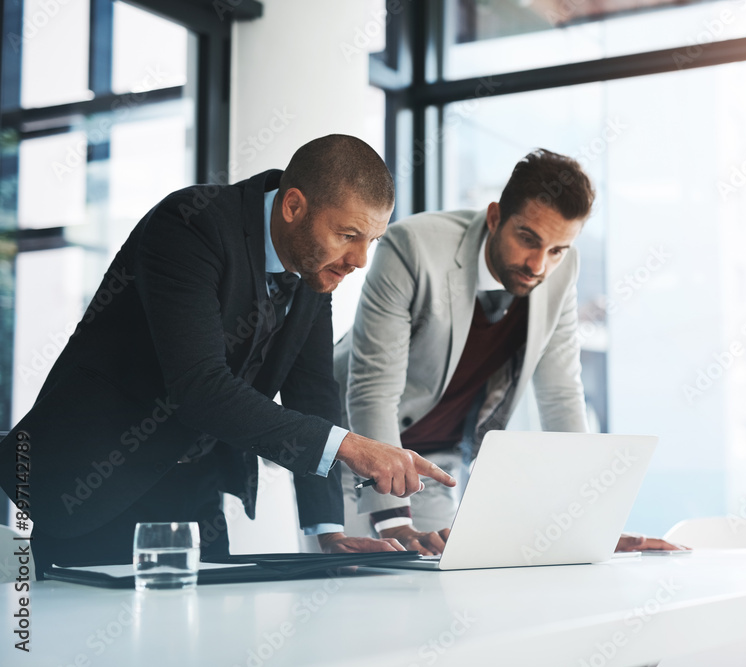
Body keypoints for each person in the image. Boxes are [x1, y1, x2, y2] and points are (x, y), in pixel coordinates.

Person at [0, 135, 455, 572]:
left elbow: (313, 391)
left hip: (198, 494)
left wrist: (328, 531)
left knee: (203, 645)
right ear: (294, 206)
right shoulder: (189, 224)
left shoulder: (317, 266)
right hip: (94, 483)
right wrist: (351, 446)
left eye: (371, 240)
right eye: (349, 234)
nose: (359, 259)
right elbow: (200, 387)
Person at [336, 149, 684, 554]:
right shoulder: (411, 248)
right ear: (495, 217)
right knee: (359, 592)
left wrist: (592, 522)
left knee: (434, 594)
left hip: (432, 464)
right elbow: (372, 390)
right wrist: (394, 522)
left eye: (557, 250)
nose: (539, 265)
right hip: (356, 453)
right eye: (528, 239)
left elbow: (561, 394)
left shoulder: (560, 271)